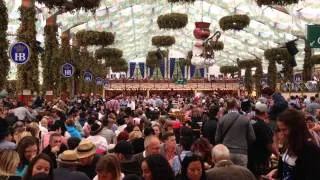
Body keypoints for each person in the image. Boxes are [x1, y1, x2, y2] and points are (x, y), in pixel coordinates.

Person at [266, 109, 320, 180]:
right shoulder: (288, 143)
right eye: (280, 130)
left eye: (284, 130)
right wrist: (276, 171)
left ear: (296, 128)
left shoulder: (310, 149)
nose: (282, 133)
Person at [215, 98, 256, 167]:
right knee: (241, 175)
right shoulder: (245, 119)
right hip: (242, 152)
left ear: (227, 106)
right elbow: (252, 137)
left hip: (226, 152)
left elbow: (217, 139)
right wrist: (244, 144)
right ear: (237, 106)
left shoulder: (222, 120)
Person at [248, 102, 278, 178]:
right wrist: (277, 154)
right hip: (260, 158)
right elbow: (269, 145)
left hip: (249, 156)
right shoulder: (263, 126)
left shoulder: (250, 121)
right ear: (265, 113)